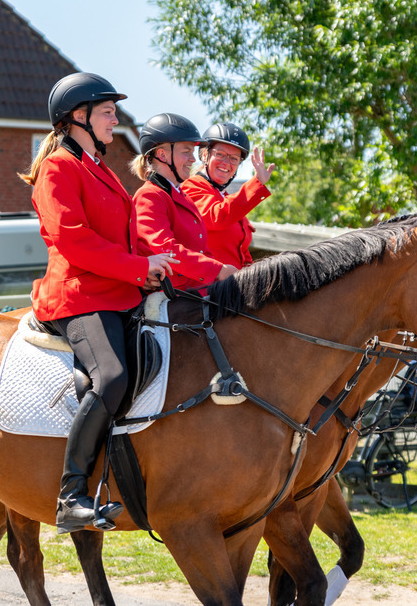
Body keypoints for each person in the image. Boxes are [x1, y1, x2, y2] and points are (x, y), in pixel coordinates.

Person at [19, 73, 177, 532]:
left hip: (119, 290)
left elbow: (119, 239)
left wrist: (151, 264)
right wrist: (136, 269)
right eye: (107, 111)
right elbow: (75, 242)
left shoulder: (100, 168)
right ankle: (70, 494)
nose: (115, 119)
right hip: (77, 296)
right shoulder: (57, 169)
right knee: (111, 376)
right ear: (78, 117)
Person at [131, 113, 238, 291]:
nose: (193, 159)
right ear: (162, 155)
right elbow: (165, 249)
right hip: (169, 295)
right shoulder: (149, 195)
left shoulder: (184, 197)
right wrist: (218, 270)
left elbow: (203, 251)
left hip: (198, 291)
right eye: (186, 152)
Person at [181, 122, 274, 268]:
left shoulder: (225, 197)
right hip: (205, 285)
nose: (226, 163)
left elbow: (242, 253)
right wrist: (257, 184)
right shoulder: (191, 187)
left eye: (234, 159)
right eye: (220, 154)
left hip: (233, 284)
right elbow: (217, 216)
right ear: (205, 155)